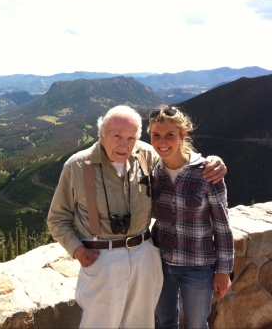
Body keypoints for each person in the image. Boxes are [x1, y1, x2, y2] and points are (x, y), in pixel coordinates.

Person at [47, 105, 226, 329]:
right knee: (99, 324)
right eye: (117, 136)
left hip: (144, 255)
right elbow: (57, 218)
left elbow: (179, 162)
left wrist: (213, 162)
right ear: (102, 134)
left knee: (141, 322)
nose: (124, 144)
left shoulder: (145, 155)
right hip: (102, 257)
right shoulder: (78, 166)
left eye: (131, 137)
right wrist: (77, 250)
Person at [147, 105, 234, 329]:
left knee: (196, 325)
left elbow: (222, 225)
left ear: (183, 134)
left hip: (198, 266)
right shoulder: (154, 172)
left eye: (169, 135)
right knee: (165, 323)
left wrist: (224, 270)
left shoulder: (206, 172)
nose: (162, 142)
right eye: (156, 135)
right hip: (162, 264)